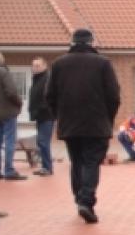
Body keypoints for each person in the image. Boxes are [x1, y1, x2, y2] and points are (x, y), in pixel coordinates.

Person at [45, 28, 121, 224]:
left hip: (70, 125)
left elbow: (49, 96)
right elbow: (113, 96)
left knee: (77, 162)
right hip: (96, 124)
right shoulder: (103, 63)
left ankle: (79, 198)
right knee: (91, 162)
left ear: (73, 42)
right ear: (91, 42)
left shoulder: (59, 64)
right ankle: (86, 201)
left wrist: (59, 116)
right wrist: (108, 118)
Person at [0, 51, 26, 181]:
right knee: (9, 140)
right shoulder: (3, 72)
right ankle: (9, 170)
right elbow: (11, 91)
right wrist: (19, 103)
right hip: (8, 112)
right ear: (1, 60)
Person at [28, 57, 56, 176]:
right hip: (39, 116)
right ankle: (44, 166)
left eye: (38, 65)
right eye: (34, 65)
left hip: (46, 115)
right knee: (41, 142)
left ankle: (48, 168)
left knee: (43, 141)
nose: (35, 68)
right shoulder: (37, 79)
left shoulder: (47, 79)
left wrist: (40, 109)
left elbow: (48, 97)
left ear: (45, 66)